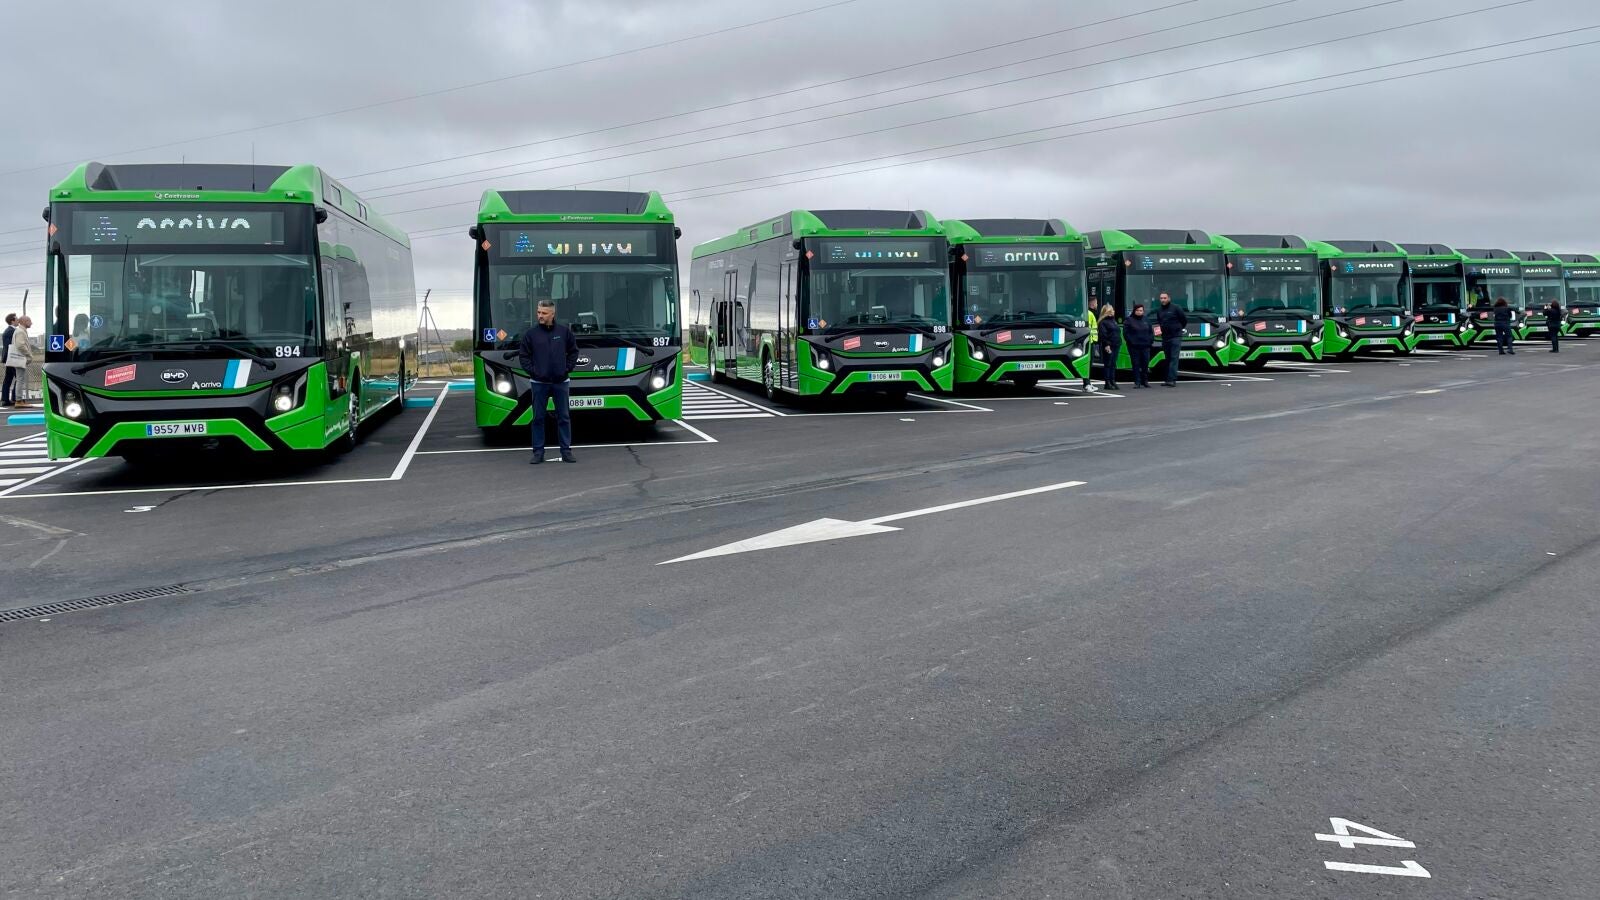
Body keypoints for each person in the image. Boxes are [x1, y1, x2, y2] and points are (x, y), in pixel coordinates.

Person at [517, 298, 578, 464]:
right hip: (539, 383)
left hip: (561, 382)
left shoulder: (564, 332)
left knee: (564, 417)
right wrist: (534, 372)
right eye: (538, 312)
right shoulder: (531, 334)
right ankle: (538, 452)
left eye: (544, 313)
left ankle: (566, 451)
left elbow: (573, 352)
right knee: (538, 418)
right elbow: (523, 356)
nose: (540, 316)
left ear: (552, 314)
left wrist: (566, 369)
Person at [1155, 291, 1188, 387]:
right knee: (1167, 359)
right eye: (1161, 298)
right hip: (1165, 338)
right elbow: (1159, 322)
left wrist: (1178, 329)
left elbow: (1184, 320)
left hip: (1175, 337)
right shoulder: (1159, 310)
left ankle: (1172, 380)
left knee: (1174, 358)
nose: (1163, 300)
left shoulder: (1176, 308)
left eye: (1165, 298)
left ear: (1169, 298)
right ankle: (1167, 379)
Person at [5, 315, 34, 408]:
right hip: (21, 358)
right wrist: (29, 355)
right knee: (20, 379)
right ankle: (18, 400)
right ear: (25, 322)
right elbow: (20, 345)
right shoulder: (21, 332)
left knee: (19, 379)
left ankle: (19, 400)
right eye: (29, 321)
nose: (31, 323)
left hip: (19, 358)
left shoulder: (19, 331)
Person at [1123, 302, 1155, 388]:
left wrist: (1150, 341)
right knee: (1136, 364)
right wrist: (1131, 342)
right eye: (1137, 310)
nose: (1139, 312)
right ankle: (1137, 382)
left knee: (1145, 364)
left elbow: (1151, 332)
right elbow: (1126, 333)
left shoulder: (1146, 319)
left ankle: (1145, 381)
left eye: (1141, 310)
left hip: (1145, 346)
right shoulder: (1129, 320)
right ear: (1134, 311)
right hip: (1134, 347)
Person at [1096, 303, 1121, 390]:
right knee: (1108, 364)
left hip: (1116, 344)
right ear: (1105, 312)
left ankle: (1112, 380)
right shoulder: (1103, 322)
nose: (1112, 312)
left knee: (1113, 364)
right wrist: (1107, 345)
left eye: (1112, 310)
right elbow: (1103, 335)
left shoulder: (1113, 321)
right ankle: (1107, 382)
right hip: (1109, 345)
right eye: (1110, 311)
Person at [1081, 303, 1099, 392]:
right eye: (1096, 303)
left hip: (1089, 341)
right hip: (1089, 342)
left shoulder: (1087, 313)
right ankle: (1087, 384)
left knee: (1089, 364)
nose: (1097, 304)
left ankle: (1088, 383)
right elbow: (1092, 328)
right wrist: (1094, 340)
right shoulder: (1088, 314)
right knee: (1087, 364)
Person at [1, 313, 16, 408]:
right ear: (12, 321)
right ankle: (15, 398)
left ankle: (5, 399)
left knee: (8, 378)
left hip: (9, 358)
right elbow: (11, 346)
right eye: (16, 319)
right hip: (11, 358)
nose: (18, 321)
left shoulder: (9, 330)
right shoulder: (11, 331)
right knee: (18, 377)